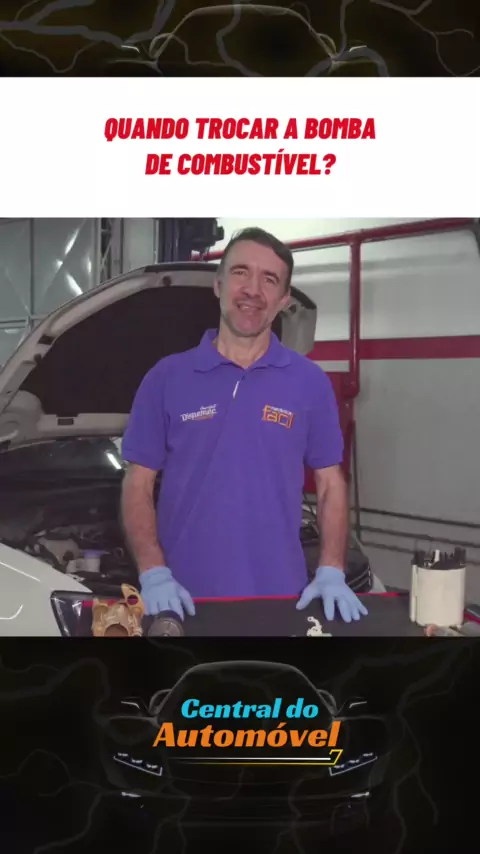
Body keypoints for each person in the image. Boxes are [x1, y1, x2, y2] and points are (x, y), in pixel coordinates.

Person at [121, 227, 368, 625]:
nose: (253, 289)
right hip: (182, 602)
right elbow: (138, 483)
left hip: (282, 601)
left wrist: (331, 569)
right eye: (241, 272)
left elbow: (330, 484)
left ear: (284, 300)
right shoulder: (166, 378)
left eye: (269, 279)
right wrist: (153, 571)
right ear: (218, 284)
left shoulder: (309, 382)